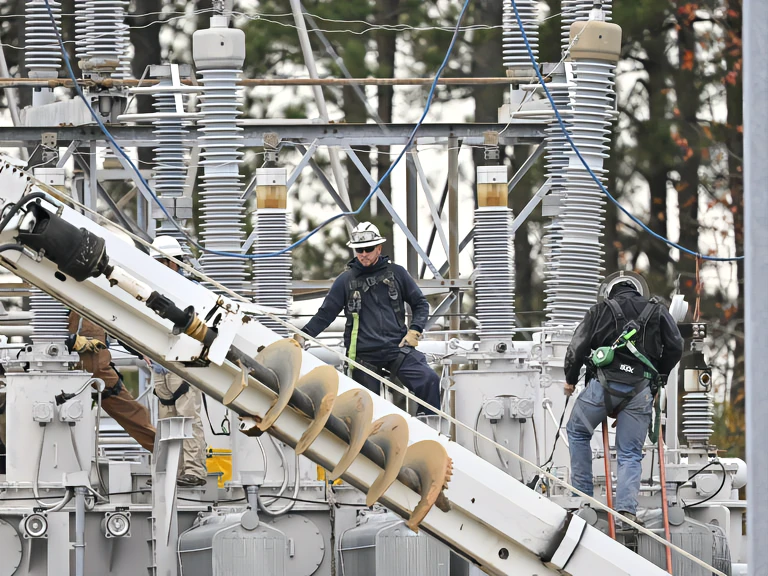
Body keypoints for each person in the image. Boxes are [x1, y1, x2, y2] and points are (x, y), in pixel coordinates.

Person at [563, 278, 683, 523]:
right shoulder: (657, 309)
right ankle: (626, 509)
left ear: (609, 292)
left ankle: (584, 499)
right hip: (640, 391)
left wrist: (571, 379)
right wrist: (661, 375)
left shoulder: (599, 310)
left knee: (577, 431)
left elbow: (577, 347)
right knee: (630, 453)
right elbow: (676, 345)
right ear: (638, 290)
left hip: (603, 389)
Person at [297, 222, 440, 414]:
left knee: (429, 380)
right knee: (364, 409)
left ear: (379, 248)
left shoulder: (397, 274)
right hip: (363, 356)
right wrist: (302, 335)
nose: (363, 253)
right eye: (359, 250)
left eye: (368, 248)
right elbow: (325, 314)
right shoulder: (345, 281)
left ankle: (429, 432)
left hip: (396, 349)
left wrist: (415, 330)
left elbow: (421, 304)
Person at [148, 235, 207, 487]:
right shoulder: (152, 289)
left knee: (187, 418)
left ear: (175, 263)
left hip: (184, 364)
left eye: (163, 261)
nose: (160, 265)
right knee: (167, 422)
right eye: (157, 261)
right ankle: (173, 473)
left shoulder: (190, 290)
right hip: (161, 364)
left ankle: (193, 471)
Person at [66, 311, 156, 452]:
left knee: (134, 413)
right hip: (83, 372)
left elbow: (117, 327)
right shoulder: (81, 306)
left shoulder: (85, 305)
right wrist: (71, 340)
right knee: (133, 413)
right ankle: (164, 452)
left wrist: (139, 351)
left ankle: (164, 451)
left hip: (90, 373)